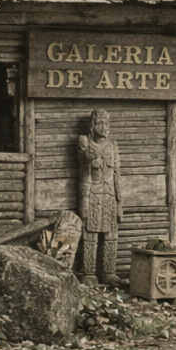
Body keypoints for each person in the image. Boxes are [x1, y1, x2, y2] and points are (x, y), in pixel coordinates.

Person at [76, 109, 123, 285]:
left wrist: (120, 203)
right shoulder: (85, 144)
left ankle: (109, 272)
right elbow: (84, 174)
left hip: (110, 197)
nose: (103, 127)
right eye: (99, 123)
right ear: (92, 126)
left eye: (106, 123)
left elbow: (117, 175)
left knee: (111, 235)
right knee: (90, 234)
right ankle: (89, 272)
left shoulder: (113, 146)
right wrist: (84, 202)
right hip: (93, 195)